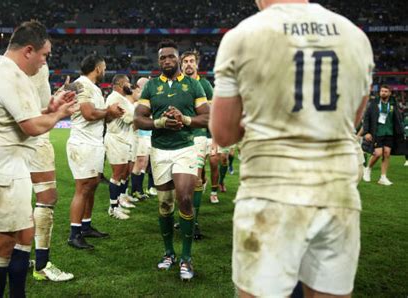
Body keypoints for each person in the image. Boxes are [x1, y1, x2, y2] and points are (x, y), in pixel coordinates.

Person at [210, 0, 374, 297]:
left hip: (270, 190)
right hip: (336, 190)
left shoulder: (243, 35)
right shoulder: (355, 37)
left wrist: (262, 117)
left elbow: (223, 133)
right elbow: (351, 120)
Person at [0, 20, 77, 297]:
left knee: (25, 236)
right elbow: (31, 127)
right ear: (29, 50)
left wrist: (49, 107)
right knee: (1, 246)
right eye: (44, 55)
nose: (44, 62)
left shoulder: (9, 72)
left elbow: (23, 116)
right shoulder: (8, 75)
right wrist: (59, 115)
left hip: (10, 169)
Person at [134, 39, 209, 280]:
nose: (167, 60)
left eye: (170, 56)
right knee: (165, 204)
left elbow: (206, 117)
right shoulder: (151, 87)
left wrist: (185, 120)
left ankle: (187, 257)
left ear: (178, 59)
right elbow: (138, 118)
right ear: (159, 62)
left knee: (185, 198)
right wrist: (160, 123)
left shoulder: (193, 86)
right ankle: (169, 253)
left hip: (185, 148)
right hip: (160, 150)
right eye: (162, 58)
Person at [66, 54, 124, 249]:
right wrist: (108, 111)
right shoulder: (81, 85)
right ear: (98, 68)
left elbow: (101, 117)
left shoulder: (96, 90)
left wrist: (112, 113)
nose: (105, 71)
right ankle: (74, 234)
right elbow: (89, 114)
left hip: (93, 143)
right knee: (83, 188)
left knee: (92, 186)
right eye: (104, 68)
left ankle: (86, 226)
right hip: (82, 144)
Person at [28, 64, 74, 281]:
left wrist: (55, 99)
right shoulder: (36, 68)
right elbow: (31, 113)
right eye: (44, 54)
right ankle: (42, 265)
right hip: (35, 138)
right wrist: (57, 110)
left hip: (13, 143)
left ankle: (20, 258)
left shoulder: (2, 69)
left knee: (18, 201)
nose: (46, 59)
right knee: (46, 198)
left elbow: (34, 105)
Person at [180, 50, 213, 239]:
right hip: (178, 138)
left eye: (192, 61)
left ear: (197, 65)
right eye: (185, 61)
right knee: (181, 184)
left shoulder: (205, 84)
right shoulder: (175, 83)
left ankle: (194, 221)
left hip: (199, 137)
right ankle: (185, 215)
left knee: (196, 179)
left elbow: (212, 112)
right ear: (181, 64)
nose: (189, 64)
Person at [105, 74, 137, 220]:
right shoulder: (114, 99)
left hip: (124, 140)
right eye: (128, 83)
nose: (130, 85)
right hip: (116, 140)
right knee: (117, 175)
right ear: (119, 83)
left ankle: (118, 202)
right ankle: (113, 208)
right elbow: (129, 118)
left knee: (123, 173)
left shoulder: (123, 99)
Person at [363, 85, 406, 185]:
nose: (383, 93)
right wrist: (366, 132)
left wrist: (400, 131)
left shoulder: (393, 104)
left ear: (390, 93)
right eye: (382, 91)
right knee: (378, 153)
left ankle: (383, 177)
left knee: (386, 154)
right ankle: (368, 169)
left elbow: (398, 118)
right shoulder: (374, 103)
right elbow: (366, 118)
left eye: (386, 91)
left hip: (390, 133)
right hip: (377, 132)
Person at [130, 77, 152, 200]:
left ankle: (139, 189)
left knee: (144, 163)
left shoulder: (146, 100)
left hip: (147, 135)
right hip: (140, 136)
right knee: (140, 162)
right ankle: (134, 190)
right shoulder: (137, 103)